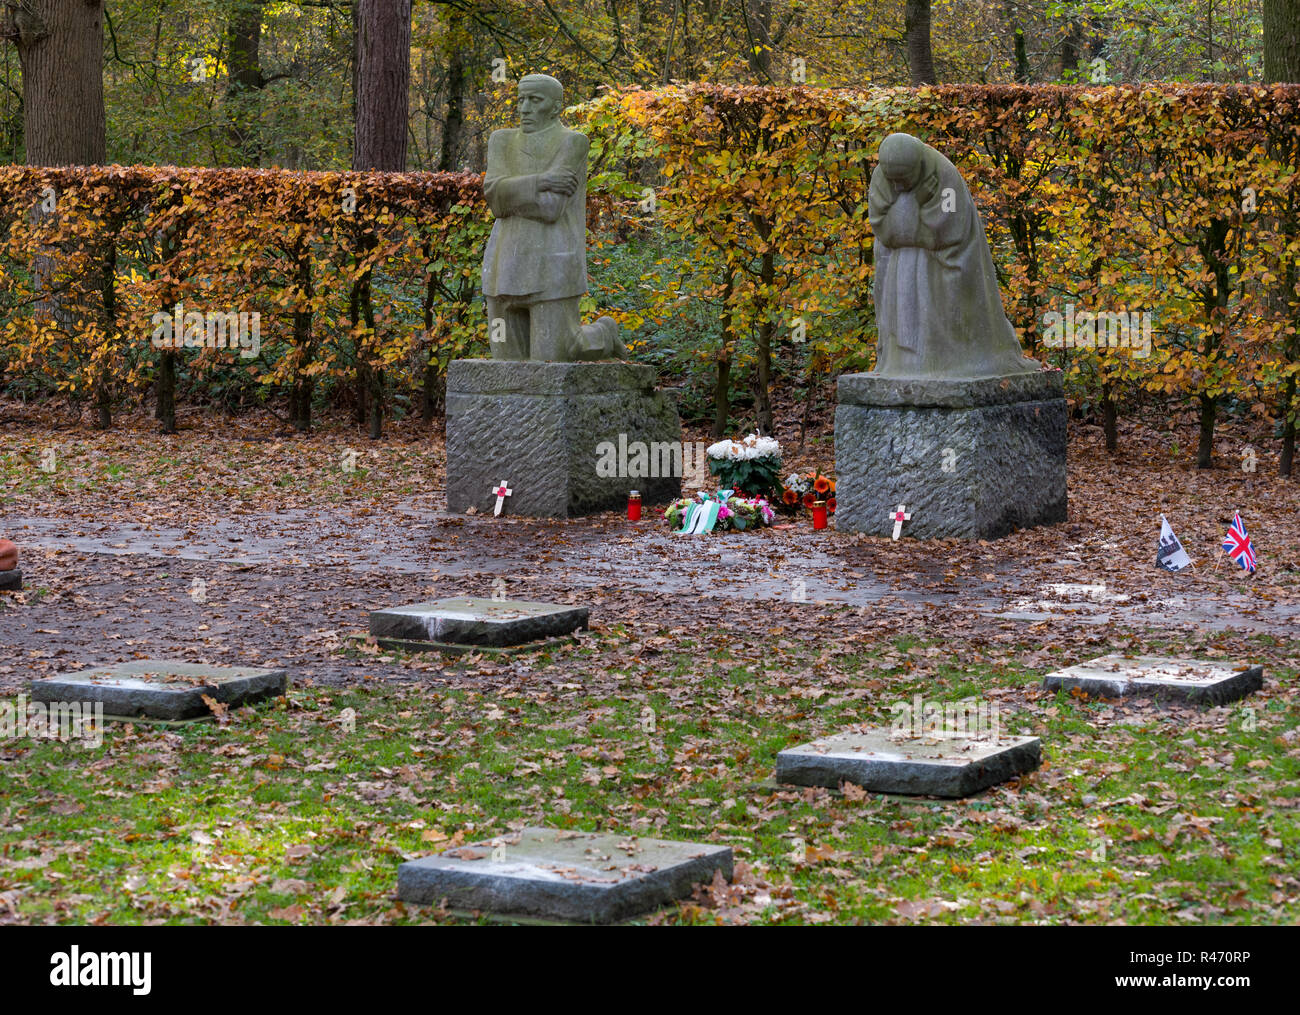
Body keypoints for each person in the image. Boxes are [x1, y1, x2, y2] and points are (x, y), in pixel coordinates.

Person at [868, 132, 1040, 379]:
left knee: (945, 310)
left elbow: (949, 225)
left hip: (942, 261)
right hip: (900, 265)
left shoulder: (945, 179)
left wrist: (914, 211)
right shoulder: (881, 178)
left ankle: (942, 359)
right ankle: (907, 362)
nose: (896, 186)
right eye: (892, 180)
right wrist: (914, 210)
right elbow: (882, 226)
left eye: (903, 179)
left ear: (918, 166)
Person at [480, 73, 626, 361]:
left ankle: (602, 334)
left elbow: (550, 208)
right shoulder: (501, 141)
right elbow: (494, 199)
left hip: (552, 265)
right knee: (505, 364)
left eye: (535, 100)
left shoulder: (572, 142)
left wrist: (512, 192)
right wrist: (542, 180)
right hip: (502, 266)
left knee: (554, 357)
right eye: (521, 100)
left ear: (556, 106)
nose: (524, 108)